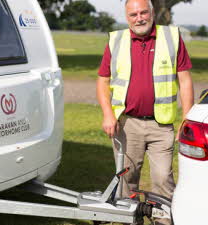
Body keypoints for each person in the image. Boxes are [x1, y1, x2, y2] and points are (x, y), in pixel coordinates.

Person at [96, 0, 194, 224]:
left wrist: (186, 119)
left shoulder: (171, 37)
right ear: (126, 17)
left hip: (161, 126)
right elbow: (102, 81)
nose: (139, 18)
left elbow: (185, 81)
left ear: (152, 12)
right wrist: (108, 114)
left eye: (143, 12)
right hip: (127, 125)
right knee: (127, 181)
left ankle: (164, 222)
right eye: (133, 14)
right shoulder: (116, 41)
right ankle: (130, 221)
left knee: (162, 180)